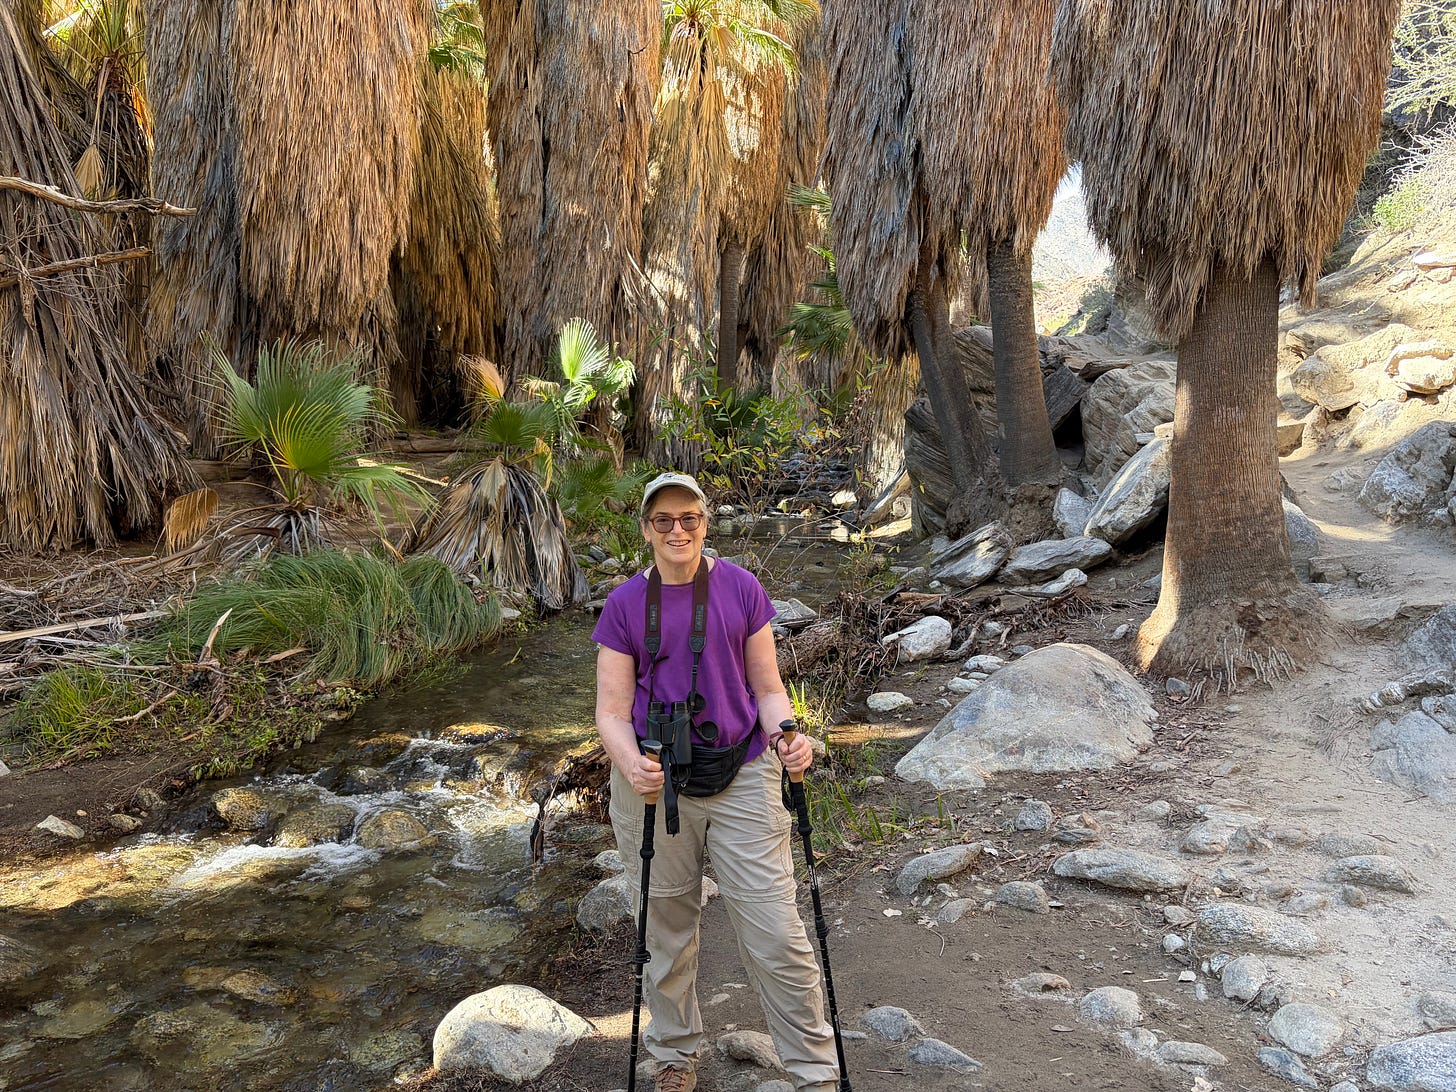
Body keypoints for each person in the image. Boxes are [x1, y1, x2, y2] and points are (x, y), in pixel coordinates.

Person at [592, 472, 841, 1092]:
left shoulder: (741, 587)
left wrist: (787, 734)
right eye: (664, 520)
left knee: (777, 932)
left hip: (743, 772)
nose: (678, 531)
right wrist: (629, 762)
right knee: (664, 931)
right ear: (646, 528)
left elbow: (767, 688)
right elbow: (611, 712)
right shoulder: (624, 604)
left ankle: (814, 1071)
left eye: (690, 518)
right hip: (653, 786)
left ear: (706, 522)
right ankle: (675, 1056)